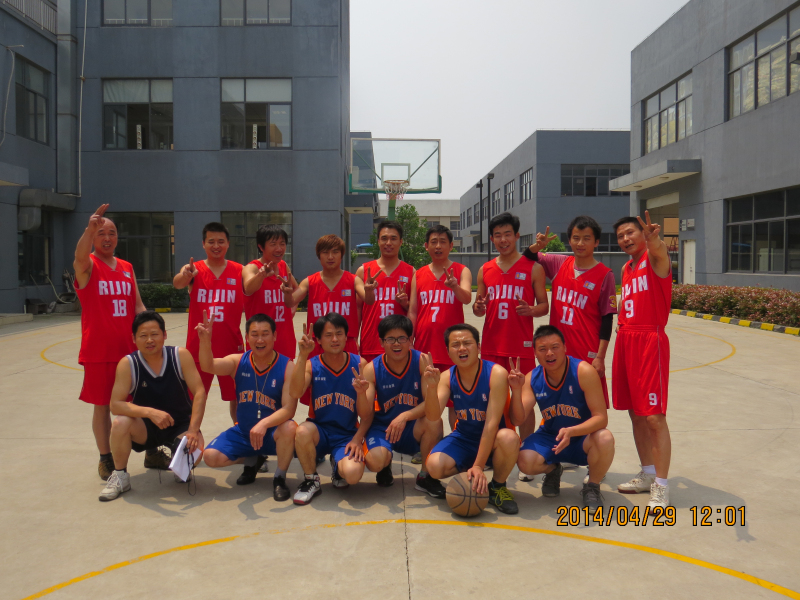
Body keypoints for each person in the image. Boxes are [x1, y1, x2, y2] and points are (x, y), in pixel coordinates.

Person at [520, 216, 617, 480]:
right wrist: (537, 246)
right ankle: (558, 452)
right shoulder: (559, 263)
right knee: (559, 404)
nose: (580, 243)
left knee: (590, 408)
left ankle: (594, 463)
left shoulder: (604, 275)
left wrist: (600, 356)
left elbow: (607, 318)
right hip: (556, 352)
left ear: (596, 242)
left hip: (586, 353)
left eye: (586, 238)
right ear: (569, 240)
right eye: (575, 238)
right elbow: (527, 259)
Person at [73, 204, 162, 480]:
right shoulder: (88, 265)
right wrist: (88, 230)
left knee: (143, 400)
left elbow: (137, 305)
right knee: (103, 405)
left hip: (130, 351)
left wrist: (152, 331)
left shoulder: (126, 267)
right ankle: (105, 458)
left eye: (112, 233)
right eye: (101, 233)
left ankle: (151, 451)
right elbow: (79, 256)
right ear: (93, 237)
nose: (107, 238)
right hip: (99, 350)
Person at [99, 311, 207, 501]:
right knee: (120, 423)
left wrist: (193, 430)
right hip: (145, 427)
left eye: (155, 334)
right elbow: (115, 405)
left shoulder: (179, 355)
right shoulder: (128, 364)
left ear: (164, 334)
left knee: (196, 451)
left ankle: (180, 467)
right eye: (143, 335)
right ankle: (120, 476)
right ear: (134, 339)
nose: (149, 340)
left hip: (179, 425)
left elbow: (199, 392)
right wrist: (150, 412)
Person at [509, 325, 615, 509]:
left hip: (582, 437)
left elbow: (601, 418)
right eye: (542, 349)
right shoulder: (532, 378)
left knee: (605, 438)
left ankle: (592, 486)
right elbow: (517, 419)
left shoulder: (583, 371)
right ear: (535, 353)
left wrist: (572, 431)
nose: (549, 353)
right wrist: (516, 391)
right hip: (552, 436)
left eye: (555, 347)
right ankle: (553, 470)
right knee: (524, 461)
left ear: (565, 347)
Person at [199, 312, 297, 501]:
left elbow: (288, 409)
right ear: (246, 337)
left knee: (290, 427)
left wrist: (263, 424)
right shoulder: (238, 362)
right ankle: (253, 458)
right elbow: (208, 366)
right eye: (254, 334)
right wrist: (205, 340)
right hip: (244, 432)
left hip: (272, 433)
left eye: (265, 334)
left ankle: (279, 477)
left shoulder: (287, 366)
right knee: (211, 457)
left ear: (275, 336)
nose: (260, 340)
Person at [425, 324, 521, 515]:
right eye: (455, 344)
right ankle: (471, 472)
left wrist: (478, 465)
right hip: (465, 436)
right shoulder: (446, 377)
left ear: (478, 347)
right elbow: (433, 416)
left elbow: (491, 424)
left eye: (467, 343)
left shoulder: (496, 373)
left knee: (509, 438)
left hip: (495, 438)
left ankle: (497, 486)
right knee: (434, 467)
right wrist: (431, 388)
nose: (462, 348)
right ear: (448, 351)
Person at [612, 212, 673, 508]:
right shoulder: (626, 268)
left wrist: (654, 241)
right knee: (635, 413)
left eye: (630, 233)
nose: (625, 239)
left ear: (643, 233)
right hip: (626, 339)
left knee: (653, 417)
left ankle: (661, 486)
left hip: (650, 341)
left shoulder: (655, 258)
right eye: (620, 236)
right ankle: (648, 473)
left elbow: (659, 250)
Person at [289, 313, 372, 505]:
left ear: (346, 336)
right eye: (328, 335)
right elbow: (295, 392)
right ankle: (311, 480)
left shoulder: (360, 364)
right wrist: (302, 355)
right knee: (302, 431)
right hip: (319, 431)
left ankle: (338, 466)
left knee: (352, 475)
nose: (334, 339)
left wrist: (361, 394)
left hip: (346, 434)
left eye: (339, 333)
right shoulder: (312, 365)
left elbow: (366, 414)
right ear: (318, 340)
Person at [360, 315, 446, 498]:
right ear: (381, 342)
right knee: (375, 462)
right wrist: (360, 394)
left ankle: (425, 477)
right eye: (390, 339)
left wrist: (405, 416)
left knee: (434, 421)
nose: (396, 344)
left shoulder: (422, 361)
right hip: (383, 428)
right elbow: (365, 414)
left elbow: (431, 406)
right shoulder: (372, 369)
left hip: (411, 427)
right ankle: (385, 463)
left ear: (410, 340)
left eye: (402, 338)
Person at [174, 222, 245, 423]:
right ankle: (190, 436)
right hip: (198, 347)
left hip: (231, 346)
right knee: (195, 397)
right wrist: (185, 275)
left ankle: (241, 433)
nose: (216, 246)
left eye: (221, 241)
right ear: (203, 244)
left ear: (228, 244)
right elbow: (178, 283)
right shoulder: (193, 269)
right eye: (211, 241)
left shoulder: (239, 270)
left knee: (238, 398)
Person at [284, 234, 364, 406]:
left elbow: (368, 298)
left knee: (350, 393)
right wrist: (287, 293)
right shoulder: (310, 281)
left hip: (346, 343)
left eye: (335, 252)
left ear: (341, 254)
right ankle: (315, 420)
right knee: (316, 394)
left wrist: (370, 290)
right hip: (318, 344)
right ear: (319, 255)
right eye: (325, 252)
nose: (330, 256)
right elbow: (291, 301)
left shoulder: (353, 280)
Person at [407, 224, 472, 431]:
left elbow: (467, 298)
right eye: (433, 242)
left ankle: (458, 439)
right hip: (425, 347)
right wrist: (410, 338)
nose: (438, 246)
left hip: (453, 347)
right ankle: (427, 442)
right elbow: (413, 310)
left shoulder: (462, 270)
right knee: (427, 400)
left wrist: (454, 286)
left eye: (443, 242)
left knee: (455, 402)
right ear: (426, 246)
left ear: (451, 246)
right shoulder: (419, 274)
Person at [473, 211, 548, 378]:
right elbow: (478, 311)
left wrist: (531, 310)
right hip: (491, 346)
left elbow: (544, 306)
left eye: (507, 234)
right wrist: (478, 307)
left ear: (516, 236)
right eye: (498, 235)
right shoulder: (484, 269)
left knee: (525, 393)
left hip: (521, 346)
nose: (503, 240)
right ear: (491, 239)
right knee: (494, 392)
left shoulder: (534, 268)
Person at [356, 220, 415, 363]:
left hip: (399, 344)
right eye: (384, 238)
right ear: (378, 241)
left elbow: (414, 310)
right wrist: (354, 339)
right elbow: (357, 308)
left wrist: (405, 303)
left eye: (393, 238)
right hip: (370, 342)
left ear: (401, 242)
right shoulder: (364, 271)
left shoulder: (411, 272)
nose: (388, 243)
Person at [242, 224, 298, 359]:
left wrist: (292, 307)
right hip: (260, 340)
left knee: (286, 371)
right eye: (273, 244)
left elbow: (297, 289)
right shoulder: (252, 268)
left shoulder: (283, 266)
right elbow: (248, 288)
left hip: (284, 338)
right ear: (261, 247)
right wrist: (261, 275)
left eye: (282, 244)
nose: (279, 249)